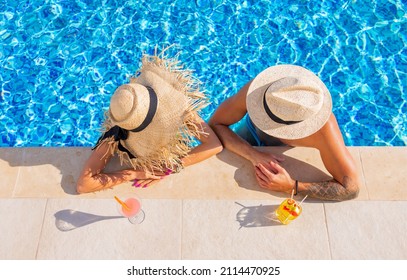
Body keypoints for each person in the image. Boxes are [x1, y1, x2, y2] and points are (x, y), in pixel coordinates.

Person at [77, 49, 222, 193]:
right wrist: (131, 174)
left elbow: (214, 145)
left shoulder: (176, 106)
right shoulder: (118, 131)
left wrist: (169, 168)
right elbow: (84, 184)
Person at [209, 65, 360, 201]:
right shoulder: (263, 91)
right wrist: (253, 155)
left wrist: (292, 186)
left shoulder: (324, 130)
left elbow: (350, 188)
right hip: (251, 132)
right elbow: (216, 124)